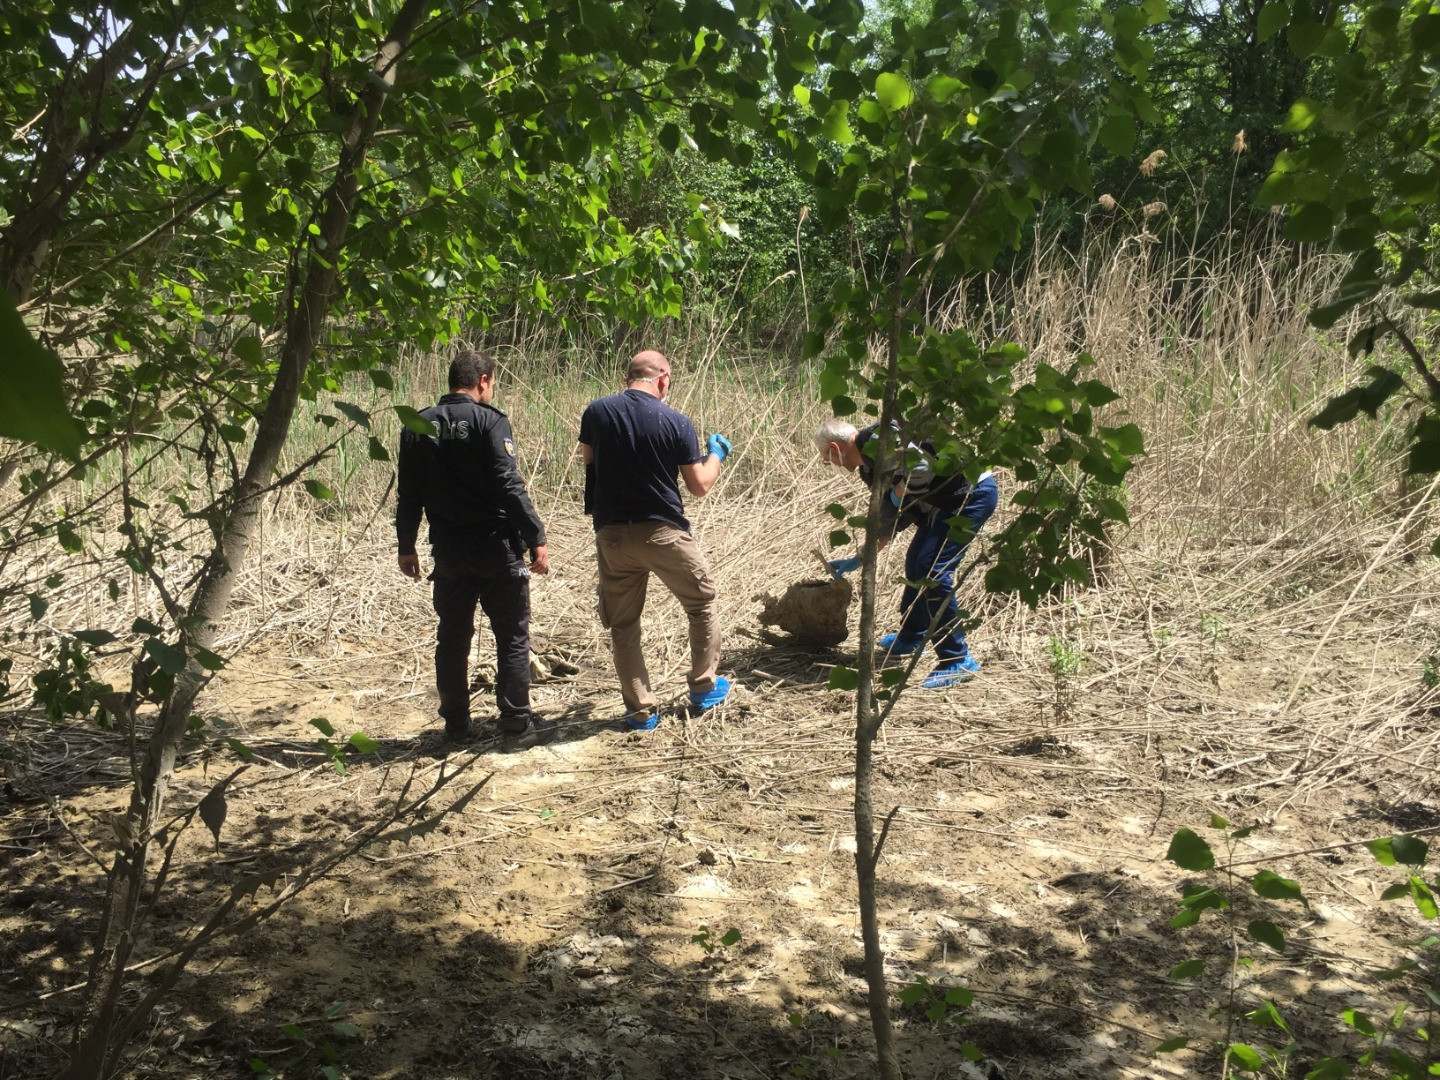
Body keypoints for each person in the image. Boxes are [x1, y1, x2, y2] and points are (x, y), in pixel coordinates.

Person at [396, 349, 553, 746]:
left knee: (451, 637)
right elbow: (508, 485)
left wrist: (406, 546)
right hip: (497, 549)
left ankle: (456, 725)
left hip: (448, 552)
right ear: (483, 381)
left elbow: (409, 494)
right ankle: (516, 725)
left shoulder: (417, 425)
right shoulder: (490, 421)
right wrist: (536, 536)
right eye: (492, 383)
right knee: (513, 637)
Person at [578, 350, 732, 730]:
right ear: (662, 378)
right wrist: (715, 454)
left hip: (612, 533)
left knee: (624, 624)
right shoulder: (676, 421)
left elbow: (589, 465)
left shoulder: (595, 412)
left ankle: (640, 711)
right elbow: (699, 486)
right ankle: (702, 687)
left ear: (629, 375)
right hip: (663, 532)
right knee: (701, 602)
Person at [815, 417, 999, 689]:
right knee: (915, 564)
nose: (830, 464)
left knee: (932, 571)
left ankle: (957, 658)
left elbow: (921, 466)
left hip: (969, 493)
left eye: (827, 458)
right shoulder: (869, 469)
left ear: (834, 447)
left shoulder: (880, 440)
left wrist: (900, 488)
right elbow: (894, 516)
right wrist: (861, 558)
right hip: (940, 503)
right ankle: (912, 637)